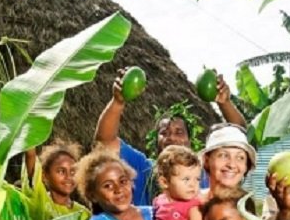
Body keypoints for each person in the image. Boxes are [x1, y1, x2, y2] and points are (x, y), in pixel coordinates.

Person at [94, 68, 247, 205]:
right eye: (164, 133)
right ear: (156, 143)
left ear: (190, 142)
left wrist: (224, 103)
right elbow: (105, 141)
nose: (172, 138)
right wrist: (118, 102)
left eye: (179, 132)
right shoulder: (145, 168)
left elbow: (238, 135)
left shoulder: (205, 172)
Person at [201, 123, 257, 201]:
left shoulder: (248, 207)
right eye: (223, 155)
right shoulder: (189, 203)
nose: (232, 165)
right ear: (206, 161)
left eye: (240, 158)